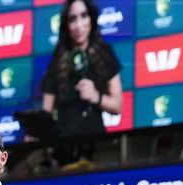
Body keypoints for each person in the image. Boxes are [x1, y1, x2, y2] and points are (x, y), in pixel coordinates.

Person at [40, 0, 122, 163]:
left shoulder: (104, 53)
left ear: (91, 19)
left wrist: (96, 97)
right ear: (66, 25)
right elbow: (46, 111)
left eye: (84, 16)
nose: (79, 25)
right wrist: (38, 130)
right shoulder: (57, 60)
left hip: (97, 144)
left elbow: (117, 105)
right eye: (72, 19)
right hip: (65, 147)